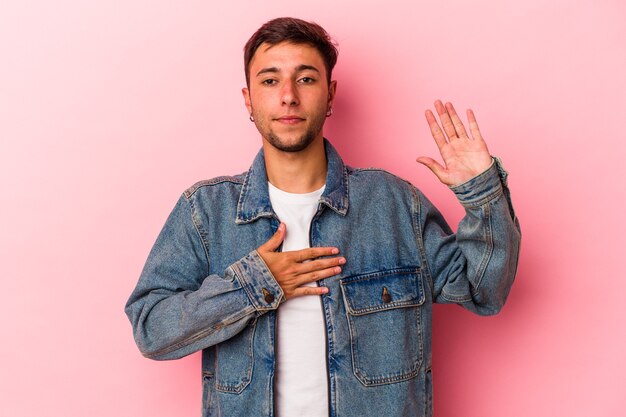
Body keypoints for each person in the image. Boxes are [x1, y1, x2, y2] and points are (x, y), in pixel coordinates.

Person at [125, 17, 521, 417]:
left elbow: (483, 291)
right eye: (269, 81)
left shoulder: (394, 203)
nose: (288, 96)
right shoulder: (206, 212)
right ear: (248, 100)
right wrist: (255, 286)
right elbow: (151, 329)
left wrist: (481, 192)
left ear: (330, 95)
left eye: (306, 79)